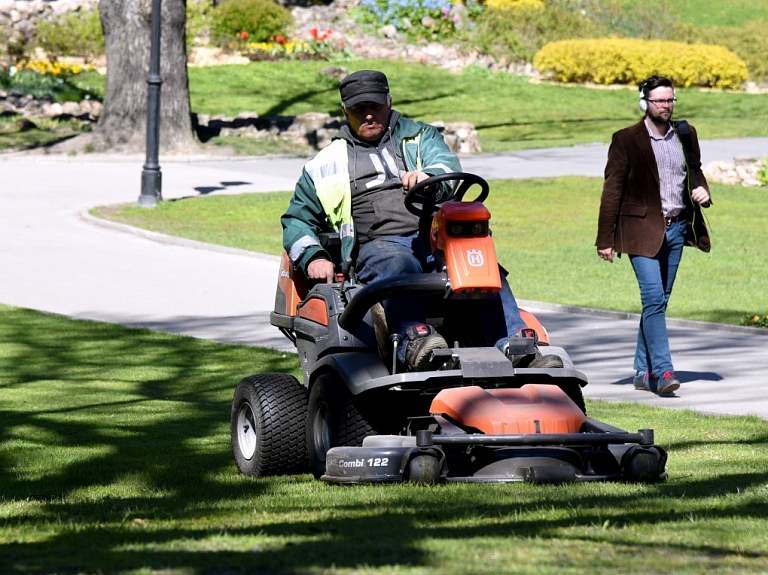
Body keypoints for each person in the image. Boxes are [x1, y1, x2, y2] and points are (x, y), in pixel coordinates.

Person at [281, 69, 562, 371]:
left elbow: (445, 164)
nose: (369, 116)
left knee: (480, 259)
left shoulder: (420, 137)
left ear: (388, 102)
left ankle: (517, 344)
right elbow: (297, 220)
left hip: (434, 237)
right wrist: (313, 256)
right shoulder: (325, 164)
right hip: (378, 245)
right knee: (398, 265)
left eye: (374, 107)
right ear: (344, 112)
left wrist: (430, 178)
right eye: (359, 110)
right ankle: (415, 341)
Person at [595, 74, 711, 396]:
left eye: (670, 100)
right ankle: (663, 371)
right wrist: (605, 239)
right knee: (653, 300)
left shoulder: (685, 134)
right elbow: (611, 191)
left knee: (659, 303)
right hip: (639, 232)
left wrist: (702, 189)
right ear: (645, 102)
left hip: (677, 230)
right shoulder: (626, 139)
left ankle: (641, 372)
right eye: (660, 101)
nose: (666, 106)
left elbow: (695, 169)